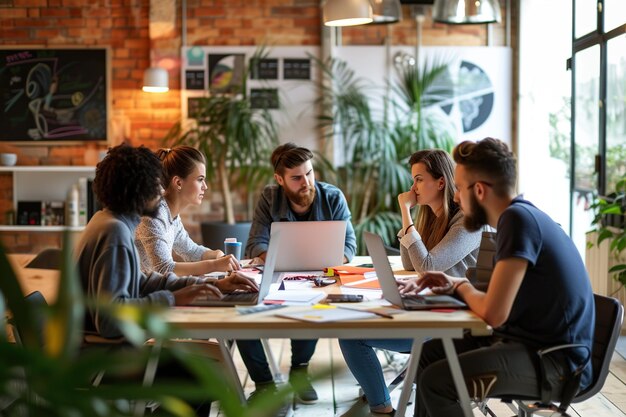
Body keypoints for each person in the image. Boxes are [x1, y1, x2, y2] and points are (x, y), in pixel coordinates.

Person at [411, 138, 594, 417]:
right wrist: (455, 285)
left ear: (480, 190)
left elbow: (494, 313)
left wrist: (459, 285)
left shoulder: (517, 221)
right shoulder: (517, 217)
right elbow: (498, 302)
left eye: (459, 188)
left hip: (556, 362)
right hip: (527, 344)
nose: (456, 197)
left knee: (437, 382)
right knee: (426, 357)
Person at [74, 144, 258, 416]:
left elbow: (143, 281)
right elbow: (111, 320)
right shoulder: (114, 234)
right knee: (206, 375)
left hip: (107, 350)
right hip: (104, 360)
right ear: (138, 188)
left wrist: (211, 285)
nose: (162, 192)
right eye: (156, 184)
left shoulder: (110, 221)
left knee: (207, 367)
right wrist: (172, 298)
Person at [338, 148, 483, 416]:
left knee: (351, 336)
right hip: (433, 308)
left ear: (441, 182)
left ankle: (381, 409)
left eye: (418, 179)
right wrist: (412, 218)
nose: (412, 187)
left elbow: (426, 265)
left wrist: (405, 211)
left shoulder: (466, 222)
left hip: (454, 322)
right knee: (350, 328)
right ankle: (382, 405)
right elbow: (409, 263)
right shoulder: (431, 215)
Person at [239, 142, 357, 405]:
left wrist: (322, 261)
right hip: (279, 274)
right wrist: (286, 261)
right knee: (240, 314)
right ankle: (265, 384)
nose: (306, 182)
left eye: (309, 173)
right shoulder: (270, 198)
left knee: (313, 305)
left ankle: (299, 371)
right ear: (279, 179)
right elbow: (255, 244)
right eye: (296, 177)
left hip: (320, 278)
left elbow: (349, 245)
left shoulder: (333, 197)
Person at [135, 146, 240, 276]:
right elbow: (164, 269)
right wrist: (215, 265)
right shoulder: (153, 214)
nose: (205, 187)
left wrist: (217, 255)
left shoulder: (171, 213)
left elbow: (190, 250)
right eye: (200, 179)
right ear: (178, 183)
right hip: (136, 293)